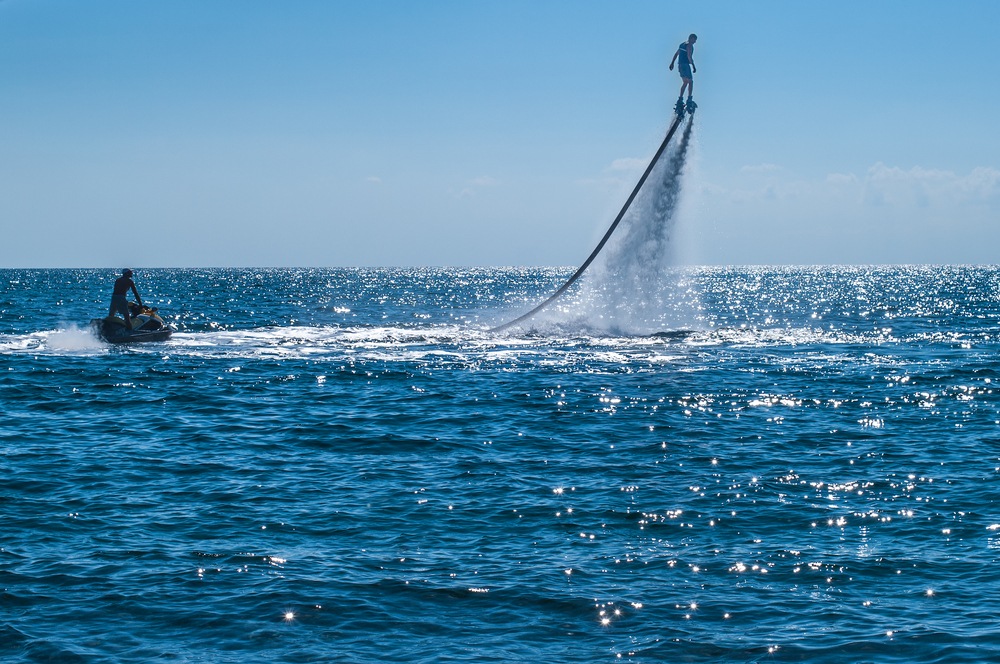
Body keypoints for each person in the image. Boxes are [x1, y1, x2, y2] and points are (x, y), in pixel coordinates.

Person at [669, 34, 697, 112]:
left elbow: (676, 54)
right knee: (690, 82)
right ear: (691, 38)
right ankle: (689, 99)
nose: (695, 42)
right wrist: (693, 66)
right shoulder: (689, 45)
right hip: (685, 65)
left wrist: (672, 63)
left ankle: (680, 100)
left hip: (680, 65)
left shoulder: (682, 44)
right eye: (694, 40)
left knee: (685, 82)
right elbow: (689, 56)